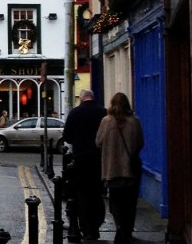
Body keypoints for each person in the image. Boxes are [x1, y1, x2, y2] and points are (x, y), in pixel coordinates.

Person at [96, 92, 144, 244]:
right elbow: (140, 143)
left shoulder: (106, 121)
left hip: (112, 170)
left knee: (115, 202)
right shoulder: (134, 121)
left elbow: (98, 142)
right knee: (130, 203)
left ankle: (119, 227)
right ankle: (127, 230)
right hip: (130, 170)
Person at [62, 89, 107, 241]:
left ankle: (86, 227)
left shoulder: (75, 113)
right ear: (93, 98)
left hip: (81, 160)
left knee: (83, 195)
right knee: (97, 193)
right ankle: (96, 226)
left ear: (81, 99)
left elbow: (67, 137)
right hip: (99, 159)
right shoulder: (103, 112)